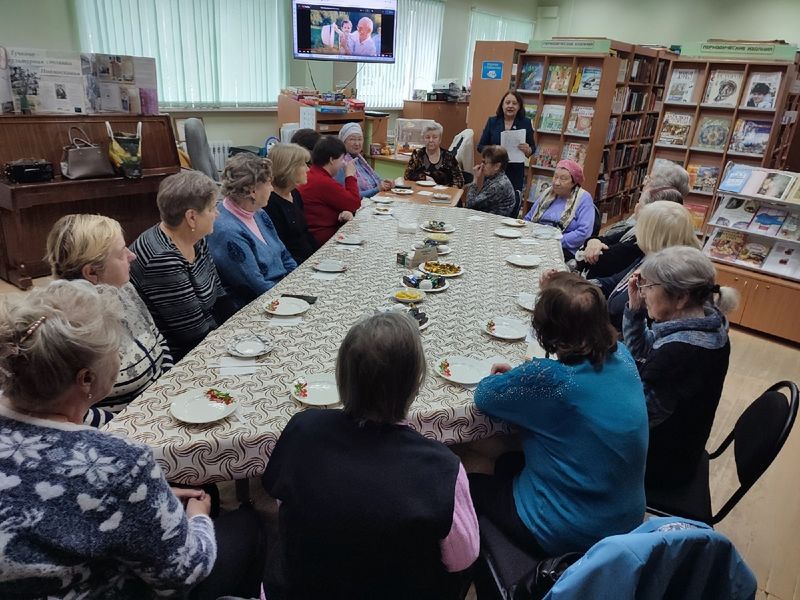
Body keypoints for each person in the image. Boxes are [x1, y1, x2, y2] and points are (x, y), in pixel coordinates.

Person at [0, 281, 265, 599]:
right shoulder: (119, 462)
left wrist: (147, 496)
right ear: (87, 378)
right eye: (117, 353)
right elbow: (182, 573)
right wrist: (197, 519)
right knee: (249, 526)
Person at [263, 312, 478, 599]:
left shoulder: (302, 428)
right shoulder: (442, 469)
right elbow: (463, 558)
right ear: (415, 384)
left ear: (342, 376)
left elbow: (284, 503)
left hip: (296, 588)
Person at [470, 272, 648, 556]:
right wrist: (525, 377)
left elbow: (485, 396)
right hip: (624, 523)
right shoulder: (623, 356)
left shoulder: (553, 381)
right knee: (506, 458)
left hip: (569, 532)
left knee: (468, 470)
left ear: (545, 332)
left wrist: (524, 377)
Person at [623, 246, 739, 489]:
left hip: (662, 465)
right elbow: (643, 352)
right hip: (684, 447)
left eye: (650, 287)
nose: (643, 293)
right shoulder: (706, 323)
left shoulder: (680, 355)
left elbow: (632, 421)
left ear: (680, 297)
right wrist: (635, 311)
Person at [45, 214, 172, 426]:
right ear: (92, 272)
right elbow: (72, 411)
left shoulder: (123, 288)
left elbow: (157, 338)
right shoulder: (68, 326)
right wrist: (132, 422)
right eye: (122, 253)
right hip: (126, 427)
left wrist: (171, 385)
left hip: (161, 406)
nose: (132, 256)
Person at [130, 171, 236, 362]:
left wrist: (240, 329)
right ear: (191, 218)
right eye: (212, 208)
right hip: (182, 355)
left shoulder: (194, 237)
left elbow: (220, 294)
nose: (217, 213)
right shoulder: (162, 259)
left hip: (209, 335)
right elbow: (192, 334)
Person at [592, 201, 701, 332]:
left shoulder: (664, 278)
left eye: (640, 227)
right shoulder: (650, 256)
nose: (636, 232)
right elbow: (615, 281)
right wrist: (584, 284)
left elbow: (635, 324)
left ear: (653, 234)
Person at [207, 153, 297, 310]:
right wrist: (293, 298)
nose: (272, 188)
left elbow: (284, 254)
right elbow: (254, 285)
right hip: (257, 306)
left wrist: (298, 280)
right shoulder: (228, 231)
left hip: (281, 291)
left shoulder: (258, 212)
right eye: (269, 183)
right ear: (252, 191)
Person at [580, 163, 690, 279]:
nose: (644, 182)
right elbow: (606, 239)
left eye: (649, 179)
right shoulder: (639, 227)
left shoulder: (647, 237)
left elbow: (604, 261)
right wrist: (594, 242)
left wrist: (592, 245)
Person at [524, 159, 594, 260]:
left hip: (563, 247)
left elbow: (583, 233)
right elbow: (529, 218)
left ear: (574, 182)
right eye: (555, 177)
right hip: (537, 240)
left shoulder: (583, 198)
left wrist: (554, 241)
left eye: (563, 179)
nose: (556, 182)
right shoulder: (548, 193)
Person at [298, 135, 361, 245]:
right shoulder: (322, 181)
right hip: (322, 239)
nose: (342, 164)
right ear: (332, 159)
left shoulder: (313, 173)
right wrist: (350, 176)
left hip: (314, 234)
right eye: (342, 159)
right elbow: (354, 203)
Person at [266, 142, 320, 264]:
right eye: (303, 165)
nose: (308, 169)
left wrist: (319, 256)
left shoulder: (294, 193)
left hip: (308, 259)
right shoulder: (269, 202)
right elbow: (281, 249)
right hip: (294, 266)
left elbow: (305, 232)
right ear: (288, 168)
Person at [477, 91, 535, 192]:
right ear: (502, 105)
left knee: (512, 201)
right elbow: (480, 146)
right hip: (494, 168)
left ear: (519, 106)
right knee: (491, 201)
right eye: (507, 102)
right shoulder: (492, 121)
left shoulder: (525, 122)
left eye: (514, 103)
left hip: (515, 171)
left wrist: (528, 150)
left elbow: (533, 146)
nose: (510, 106)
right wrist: (494, 150)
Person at [335, 122, 392, 197]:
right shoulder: (341, 164)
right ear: (343, 141)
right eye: (352, 139)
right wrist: (377, 189)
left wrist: (386, 183)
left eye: (360, 139)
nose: (357, 143)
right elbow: (349, 196)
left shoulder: (360, 160)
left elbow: (377, 180)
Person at [404, 122, 464, 188]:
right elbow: (407, 175)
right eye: (427, 137)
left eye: (435, 137)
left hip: (443, 195)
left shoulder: (448, 156)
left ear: (440, 140)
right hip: (422, 193)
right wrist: (425, 178)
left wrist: (447, 191)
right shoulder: (418, 154)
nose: (431, 140)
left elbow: (460, 181)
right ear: (424, 139)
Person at [464, 145, 516, 216]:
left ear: (497, 166)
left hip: (490, 223)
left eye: (485, 163)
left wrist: (475, 178)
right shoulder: (496, 178)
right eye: (482, 161)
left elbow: (470, 205)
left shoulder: (498, 185)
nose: (481, 166)